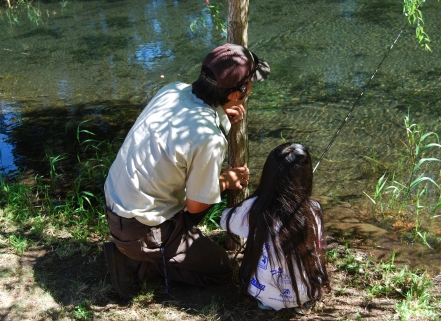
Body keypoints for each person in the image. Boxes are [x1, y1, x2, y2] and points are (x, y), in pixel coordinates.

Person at [103, 43, 270, 298]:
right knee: (222, 269)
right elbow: (195, 206)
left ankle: (140, 249)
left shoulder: (172, 90)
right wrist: (224, 181)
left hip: (117, 208)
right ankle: (140, 263)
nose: (251, 89)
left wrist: (221, 114)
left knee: (191, 192)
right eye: (249, 85)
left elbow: (187, 130)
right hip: (140, 228)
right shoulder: (208, 138)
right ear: (236, 94)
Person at [221, 142, 330, 313]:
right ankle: (302, 304)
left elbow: (225, 220)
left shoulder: (255, 208)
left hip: (260, 292)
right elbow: (318, 242)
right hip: (305, 293)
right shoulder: (314, 210)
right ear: (307, 178)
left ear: (267, 176)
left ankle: (266, 303)